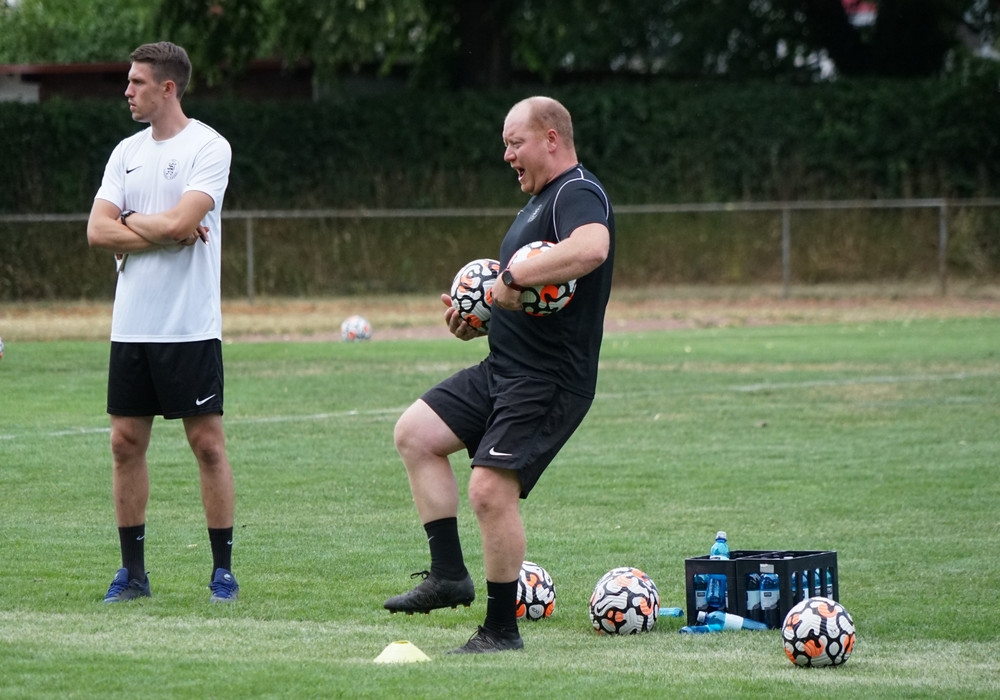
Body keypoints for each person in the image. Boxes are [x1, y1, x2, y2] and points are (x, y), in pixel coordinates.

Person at [383, 96, 615, 652]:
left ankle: (501, 631)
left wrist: (511, 277)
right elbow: (529, 299)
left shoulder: (577, 192)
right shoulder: (537, 204)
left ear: (551, 139)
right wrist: (479, 318)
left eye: (515, 143)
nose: (508, 155)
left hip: (548, 379)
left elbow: (591, 249)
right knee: (415, 434)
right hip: (503, 368)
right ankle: (448, 576)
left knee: (489, 490)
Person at [86, 42, 238, 604]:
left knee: (208, 446)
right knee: (124, 444)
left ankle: (222, 572)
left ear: (167, 88)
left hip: (189, 326)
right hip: (131, 326)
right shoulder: (125, 152)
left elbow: (183, 221)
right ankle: (133, 575)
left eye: (137, 82)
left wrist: (133, 222)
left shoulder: (209, 146)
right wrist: (157, 227)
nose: (127, 91)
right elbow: (98, 231)